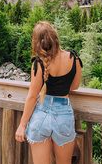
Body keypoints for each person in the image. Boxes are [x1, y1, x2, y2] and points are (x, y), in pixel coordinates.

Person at [15, 21, 83, 164]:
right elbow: (75, 86)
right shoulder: (73, 58)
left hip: (41, 116)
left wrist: (22, 125)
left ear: (36, 42)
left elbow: (32, 96)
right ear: (55, 37)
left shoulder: (38, 63)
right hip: (64, 115)